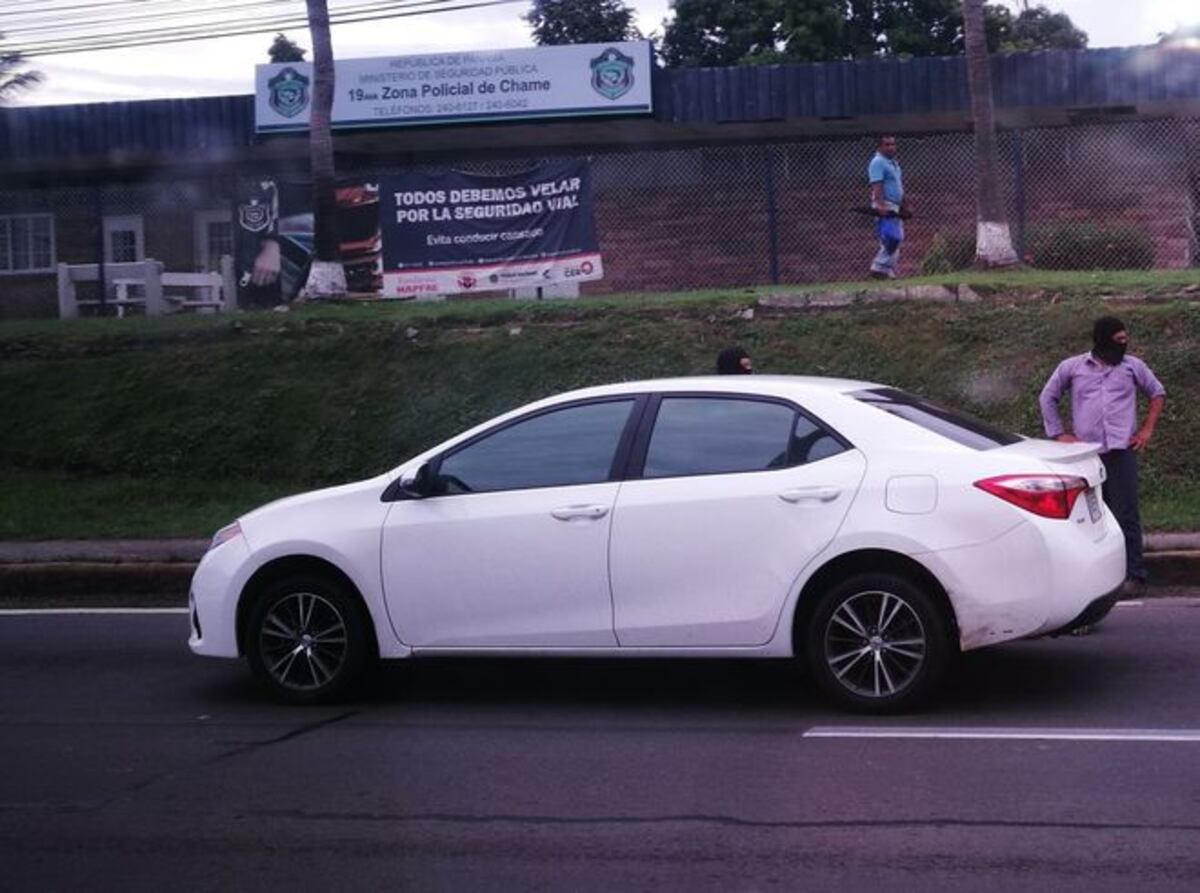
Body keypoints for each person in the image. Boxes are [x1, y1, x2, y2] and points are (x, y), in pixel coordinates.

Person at [1039, 316, 1166, 592]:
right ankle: (1097, 580)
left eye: (1125, 340)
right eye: (1118, 340)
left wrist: (1146, 430)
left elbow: (1157, 393)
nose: (1124, 344)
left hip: (1122, 453)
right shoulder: (1072, 367)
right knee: (1090, 518)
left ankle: (1134, 575)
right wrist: (1059, 434)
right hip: (1087, 456)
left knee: (1126, 515)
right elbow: (1047, 397)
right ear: (1103, 339)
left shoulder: (1133, 367)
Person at [867, 135, 908, 280]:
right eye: (887, 145)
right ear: (880, 147)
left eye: (893, 144)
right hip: (885, 204)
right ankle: (878, 267)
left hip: (895, 206)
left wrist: (904, 206)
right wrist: (880, 205)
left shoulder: (893, 163)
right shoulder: (877, 162)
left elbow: (898, 186)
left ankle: (886, 271)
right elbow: (877, 185)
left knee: (894, 238)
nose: (891, 147)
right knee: (893, 237)